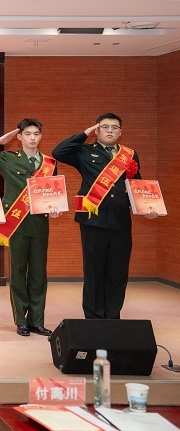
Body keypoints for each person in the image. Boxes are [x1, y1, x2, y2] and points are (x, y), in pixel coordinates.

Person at [52, 113, 155, 319]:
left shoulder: (130, 155)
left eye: (114, 128)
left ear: (120, 132)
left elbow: (136, 184)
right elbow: (58, 152)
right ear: (97, 130)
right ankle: (94, 319)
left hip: (120, 220)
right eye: (105, 127)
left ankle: (113, 317)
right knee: (94, 272)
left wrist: (147, 207)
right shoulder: (84, 150)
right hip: (93, 220)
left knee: (118, 273)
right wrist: (84, 134)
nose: (110, 131)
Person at [0, 118, 59, 337]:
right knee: (18, 273)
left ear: (41, 136)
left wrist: (55, 207)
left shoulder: (49, 163)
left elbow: (51, 193)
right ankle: (21, 320)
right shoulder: (8, 158)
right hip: (15, 223)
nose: (32, 138)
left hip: (39, 224)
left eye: (36, 134)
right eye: (28, 134)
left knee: (39, 274)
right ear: (19, 137)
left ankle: (37, 321)